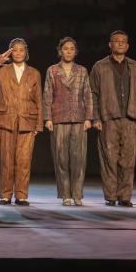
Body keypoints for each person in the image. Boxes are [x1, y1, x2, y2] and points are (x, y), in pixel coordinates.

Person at [0, 38, 43, 206]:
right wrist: (1, 58)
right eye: (14, 50)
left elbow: (39, 99)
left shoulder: (34, 73)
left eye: (21, 50)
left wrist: (38, 125)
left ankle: (21, 195)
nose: (18, 53)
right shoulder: (3, 71)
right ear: (10, 52)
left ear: (26, 52)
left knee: (24, 160)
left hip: (27, 121)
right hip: (6, 120)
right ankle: (5, 195)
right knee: (6, 160)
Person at [89, 31, 136, 207]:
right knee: (109, 158)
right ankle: (111, 196)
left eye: (123, 41)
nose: (120, 43)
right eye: (116, 41)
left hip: (130, 118)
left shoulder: (135, 67)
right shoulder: (100, 66)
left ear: (127, 46)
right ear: (110, 44)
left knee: (128, 159)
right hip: (108, 117)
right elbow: (93, 93)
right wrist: (95, 117)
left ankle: (125, 196)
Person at [42, 37, 94, 206]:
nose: (69, 51)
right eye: (66, 48)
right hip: (59, 118)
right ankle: (65, 194)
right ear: (60, 51)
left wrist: (89, 118)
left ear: (75, 51)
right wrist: (48, 118)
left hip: (78, 118)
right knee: (61, 158)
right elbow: (47, 95)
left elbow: (88, 95)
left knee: (78, 158)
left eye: (72, 48)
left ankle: (77, 194)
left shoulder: (82, 71)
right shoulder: (52, 70)